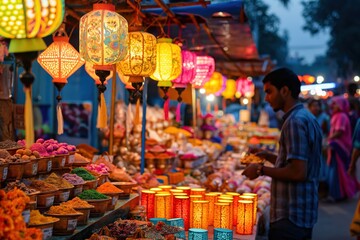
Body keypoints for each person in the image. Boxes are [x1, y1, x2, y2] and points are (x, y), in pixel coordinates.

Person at [242, 67, 323, 240]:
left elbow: (297, 172)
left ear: (285, 91)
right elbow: (296, 162)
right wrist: (267, 156)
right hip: (301, 212)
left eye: (269, 92)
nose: (266, 98)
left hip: (290, 215)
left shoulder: (294, 122)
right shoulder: (306, 117)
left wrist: (259, 170)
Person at [325, 96, 358, 201]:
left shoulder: (341, 116)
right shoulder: (337, 115)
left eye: (335, 104)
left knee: (338, 172)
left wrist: (327, 139)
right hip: (336, 146)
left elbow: (339, 132)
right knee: (338, 171)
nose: (332, 106)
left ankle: (338, 194)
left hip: (339, 147)